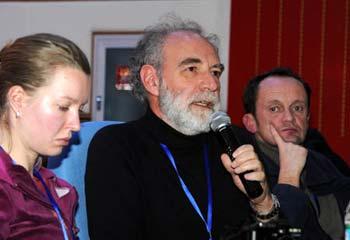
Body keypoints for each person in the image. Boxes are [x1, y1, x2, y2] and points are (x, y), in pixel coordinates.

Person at [85, 16, 277, 240]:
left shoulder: (234, 141)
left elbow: (273, 235)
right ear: (152, 80)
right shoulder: (117, 146)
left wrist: (262, 202)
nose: (212, 84)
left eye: (215, 72)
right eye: (192, 69)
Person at [241, 67, 350, 239]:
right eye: (275, 109)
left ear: (307, 119)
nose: (289, 118)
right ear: (251, 123)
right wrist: (289, 177)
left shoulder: (323, 164)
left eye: (298, 108)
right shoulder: (242, 172)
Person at [0, 33, 91, 239]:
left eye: (80, 109)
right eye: (63, 107)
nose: (76, 125)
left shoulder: (58, 188)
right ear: (18, 100)